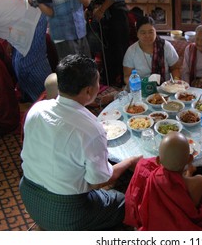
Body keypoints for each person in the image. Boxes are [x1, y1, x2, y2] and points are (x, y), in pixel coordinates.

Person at [19, 54, 142, 230]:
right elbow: (99, 181)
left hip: (28, 196)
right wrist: (130, 161)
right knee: (122, 201)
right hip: (67, 212)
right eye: (98, 83)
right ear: (88, 91)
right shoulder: (91, 129)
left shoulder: (37, 109)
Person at [124, 132, 202, 231]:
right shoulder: (199, 182)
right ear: (190, 159)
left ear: (158, 161)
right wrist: (188, 175)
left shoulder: (152, 177)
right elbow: (199, 203)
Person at [0, 0, 52, 102]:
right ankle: (29, 96)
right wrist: (11, 41)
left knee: (30, 64)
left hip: (32, 20)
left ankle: (49, 99)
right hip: (23, 21)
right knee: (17, 63)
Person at [25, 0, 91, 60]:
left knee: (88, 67)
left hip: (80, 31)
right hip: (63, 35)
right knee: (72, 70)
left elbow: (86, 2)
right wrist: (37, 1)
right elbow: (50, 12)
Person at [87, 0, 130, 87]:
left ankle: (122, 84)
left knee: (119, 50)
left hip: (116, 9)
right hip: (99, 7)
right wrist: (92, 6)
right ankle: (108, 84)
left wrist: (102, 10)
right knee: (105, 50)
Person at [123, 16, 180, 84]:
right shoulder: (131, 51)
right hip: (141, 89)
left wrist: (175, 83)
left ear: (156, 32)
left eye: (151, 32)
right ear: (137, 34)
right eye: (143, 33)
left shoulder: (166, 46)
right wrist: (136, 86)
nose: (147, 36)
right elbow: (127, 76)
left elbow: (175, 68)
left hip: (164, 88)